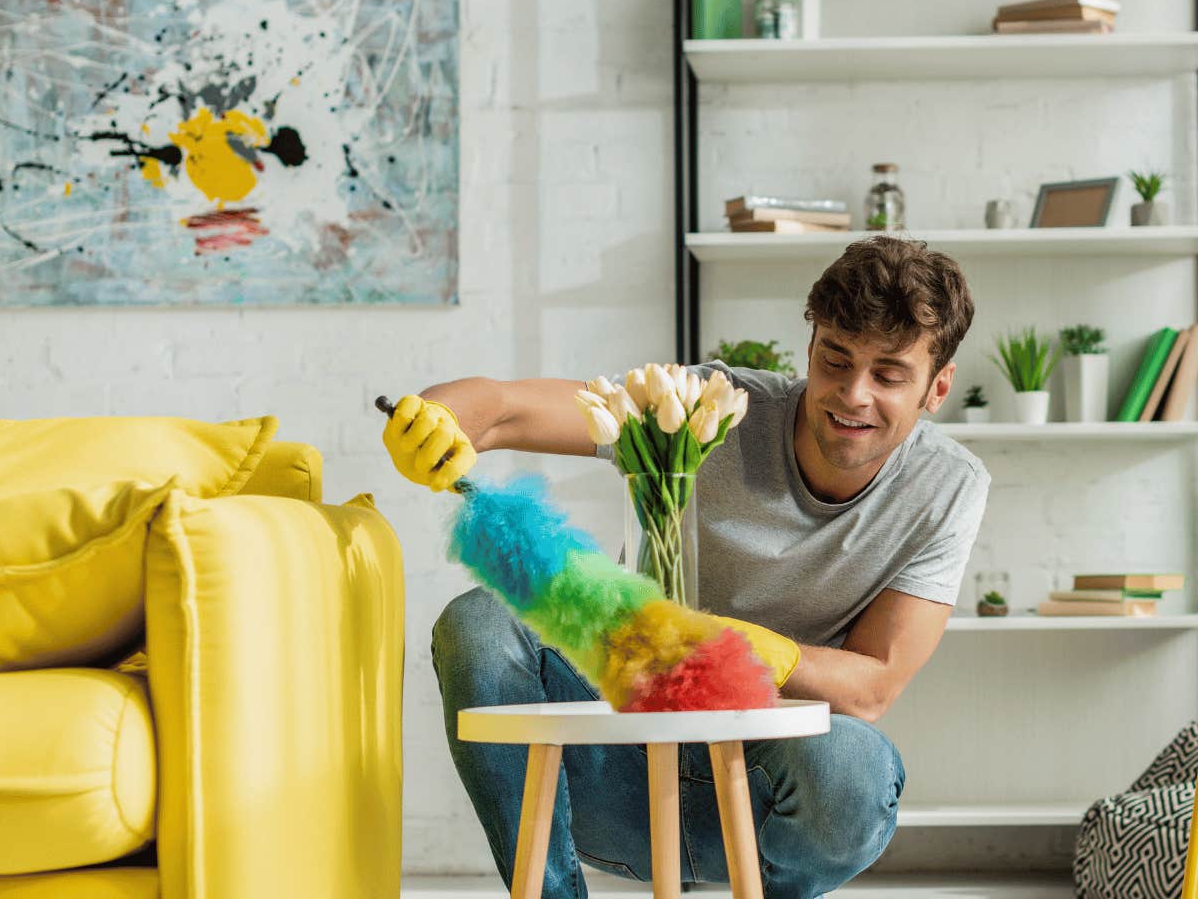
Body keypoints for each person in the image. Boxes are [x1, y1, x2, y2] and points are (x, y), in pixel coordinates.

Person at [384, 235, 991, 899]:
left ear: (937, 387)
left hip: (759, 803)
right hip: (609, 767)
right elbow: (501, 410)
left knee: (855, 769)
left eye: (889, 375)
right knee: (478, 619)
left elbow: (874, 683)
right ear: (809, 348)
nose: (852, 394)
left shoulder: (947, 486)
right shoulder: (710, 410)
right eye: (835, 360)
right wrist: (439, 416)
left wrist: (772, 655)